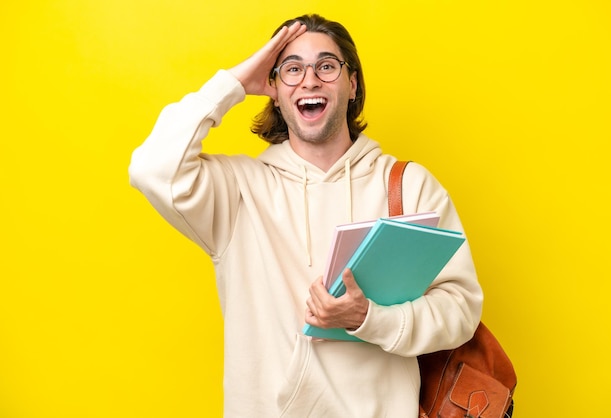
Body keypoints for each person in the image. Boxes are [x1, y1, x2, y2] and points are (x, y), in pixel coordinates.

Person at [129, 13, 483, 418]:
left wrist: (371, 318)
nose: (310, 80)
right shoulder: (236, 192)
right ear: (274, 90)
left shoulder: (408, 186)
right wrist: (235, 84)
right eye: (292, 69)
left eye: (326, 66)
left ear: (352, 85)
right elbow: (150, 168)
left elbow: (460, 310)